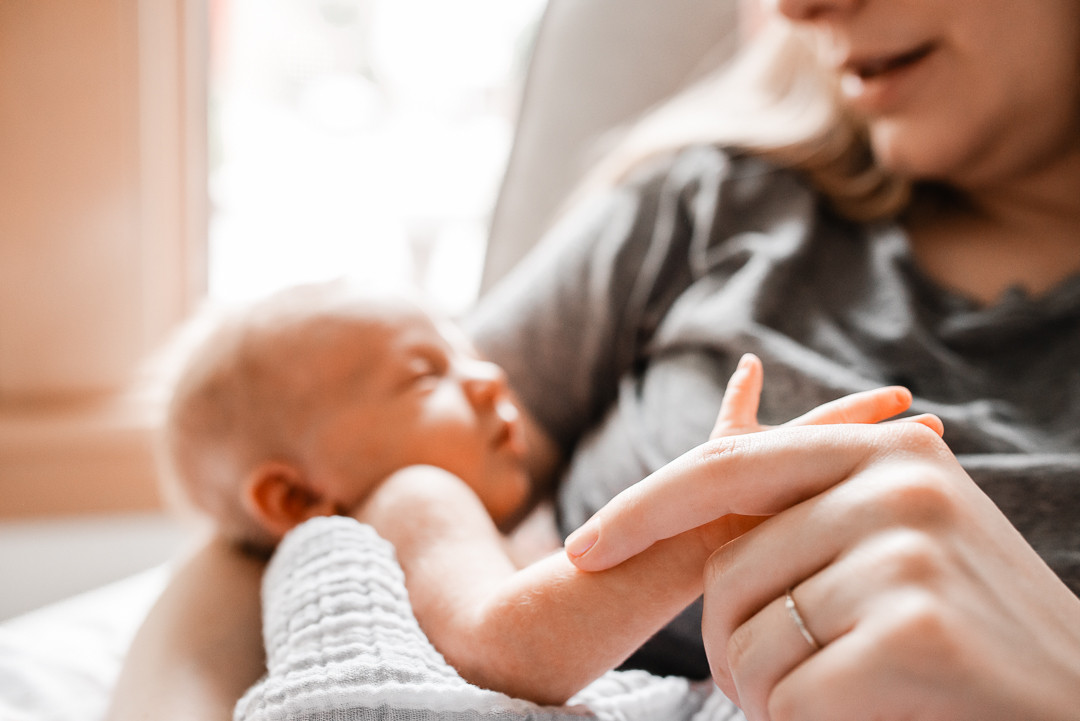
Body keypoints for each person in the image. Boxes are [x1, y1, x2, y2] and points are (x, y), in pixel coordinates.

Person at [109, 0, 1080, 717]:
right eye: (429, 368)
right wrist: (718, 516)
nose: (798, 9)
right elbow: (289, 517)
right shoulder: (713, 206)